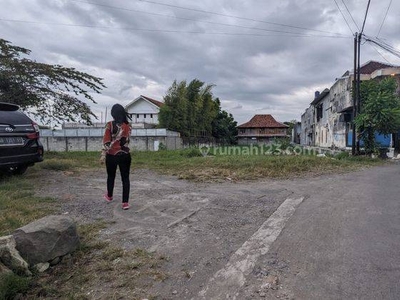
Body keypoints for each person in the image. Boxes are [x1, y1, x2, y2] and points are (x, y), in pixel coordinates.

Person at [100, 104, 132, 210]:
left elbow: (106, 142)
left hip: (112, 155)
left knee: (111, 177)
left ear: (113, 114)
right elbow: (127, 140)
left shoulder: (110, 125)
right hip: (125, 155)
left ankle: (109, 196)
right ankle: (125, 203)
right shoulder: (128, 125)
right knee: (125, 178)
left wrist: (103, 154)